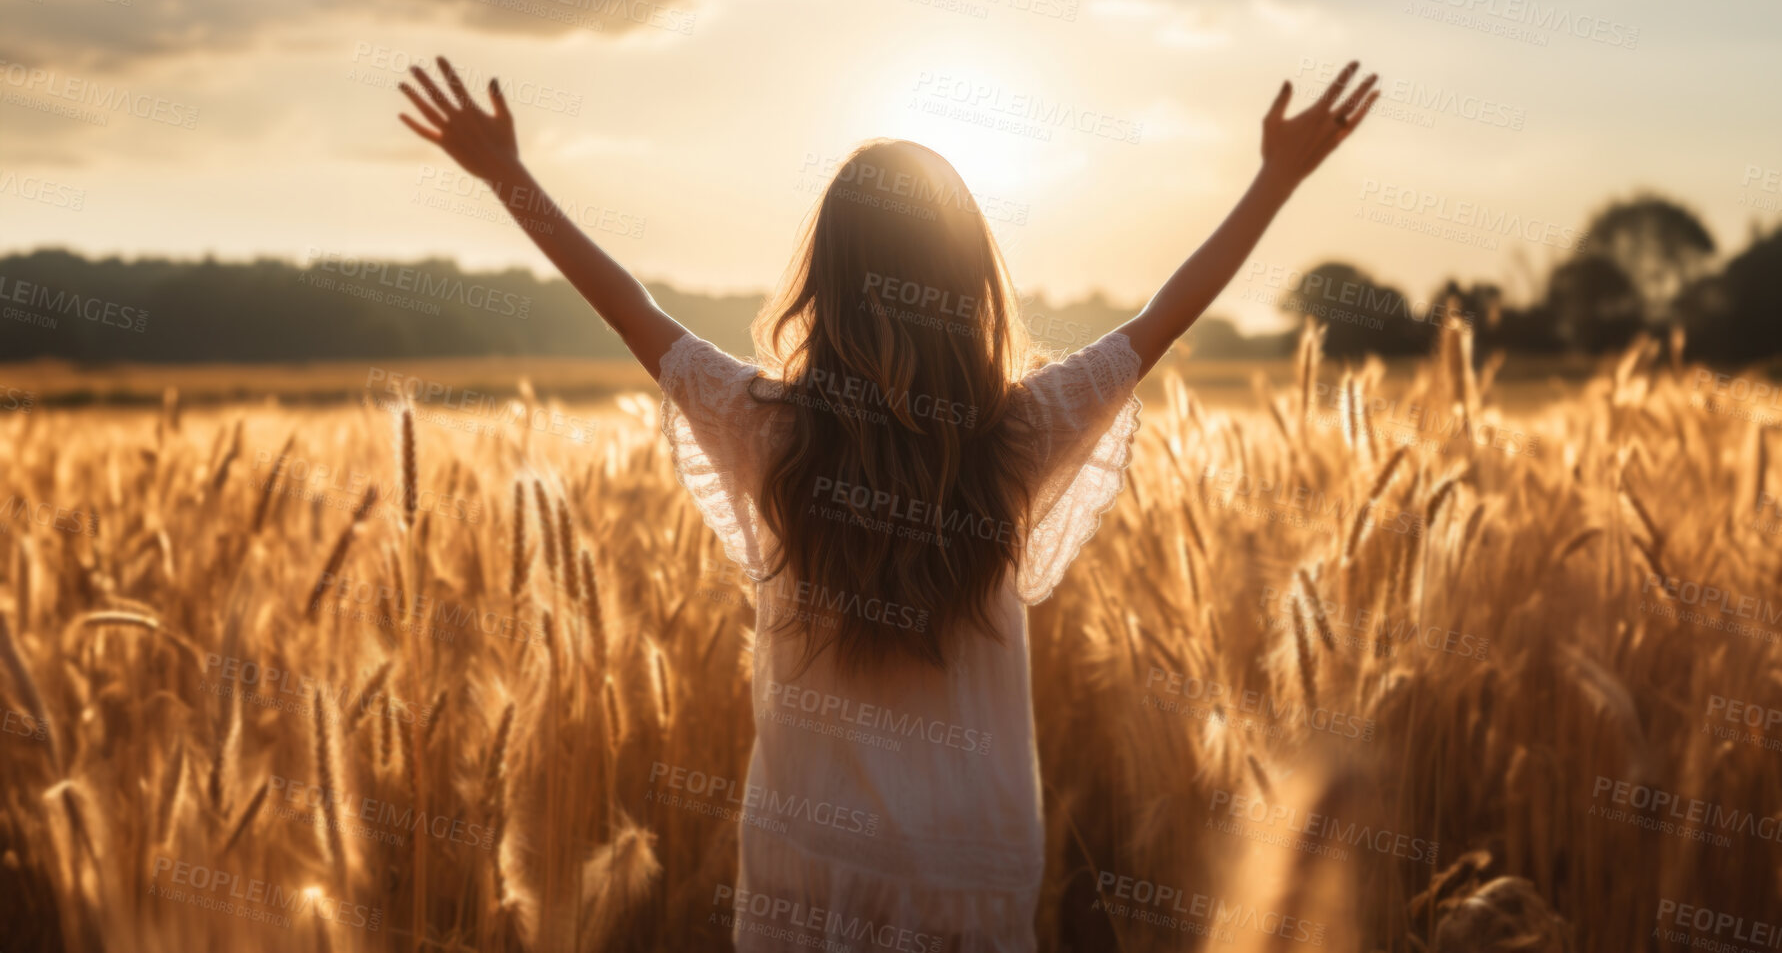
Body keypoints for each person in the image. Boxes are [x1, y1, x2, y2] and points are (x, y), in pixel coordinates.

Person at [398, 56, 1378, 950]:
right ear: (968, 282)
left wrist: (507, 176)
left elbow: (630, 309)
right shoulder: (1019, 434)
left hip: (808, 856)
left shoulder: (771, 431)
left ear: (826, 284)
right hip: (978, 858)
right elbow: (1162, 316)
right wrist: (1276, 180)